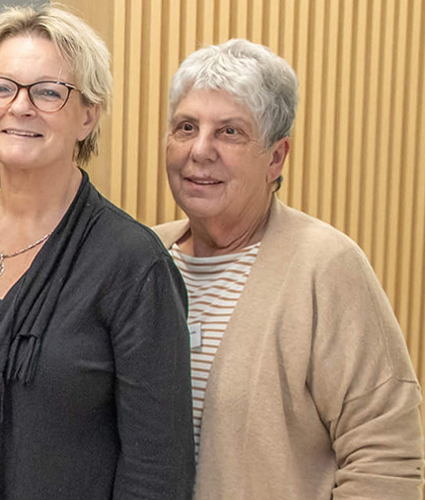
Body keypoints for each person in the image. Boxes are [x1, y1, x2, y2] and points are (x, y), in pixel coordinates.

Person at [0, 3, 194, 500]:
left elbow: (157, 470)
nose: (20, 106)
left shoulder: (132, 264)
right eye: (2, 87)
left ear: (88, 117)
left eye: (49, 92)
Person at [152, 39, 423, 499]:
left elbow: (385, 455)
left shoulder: (326, 266)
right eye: (186, 127)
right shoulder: (141, 257)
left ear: (276, 158)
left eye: (230, 132)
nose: (200, 150)